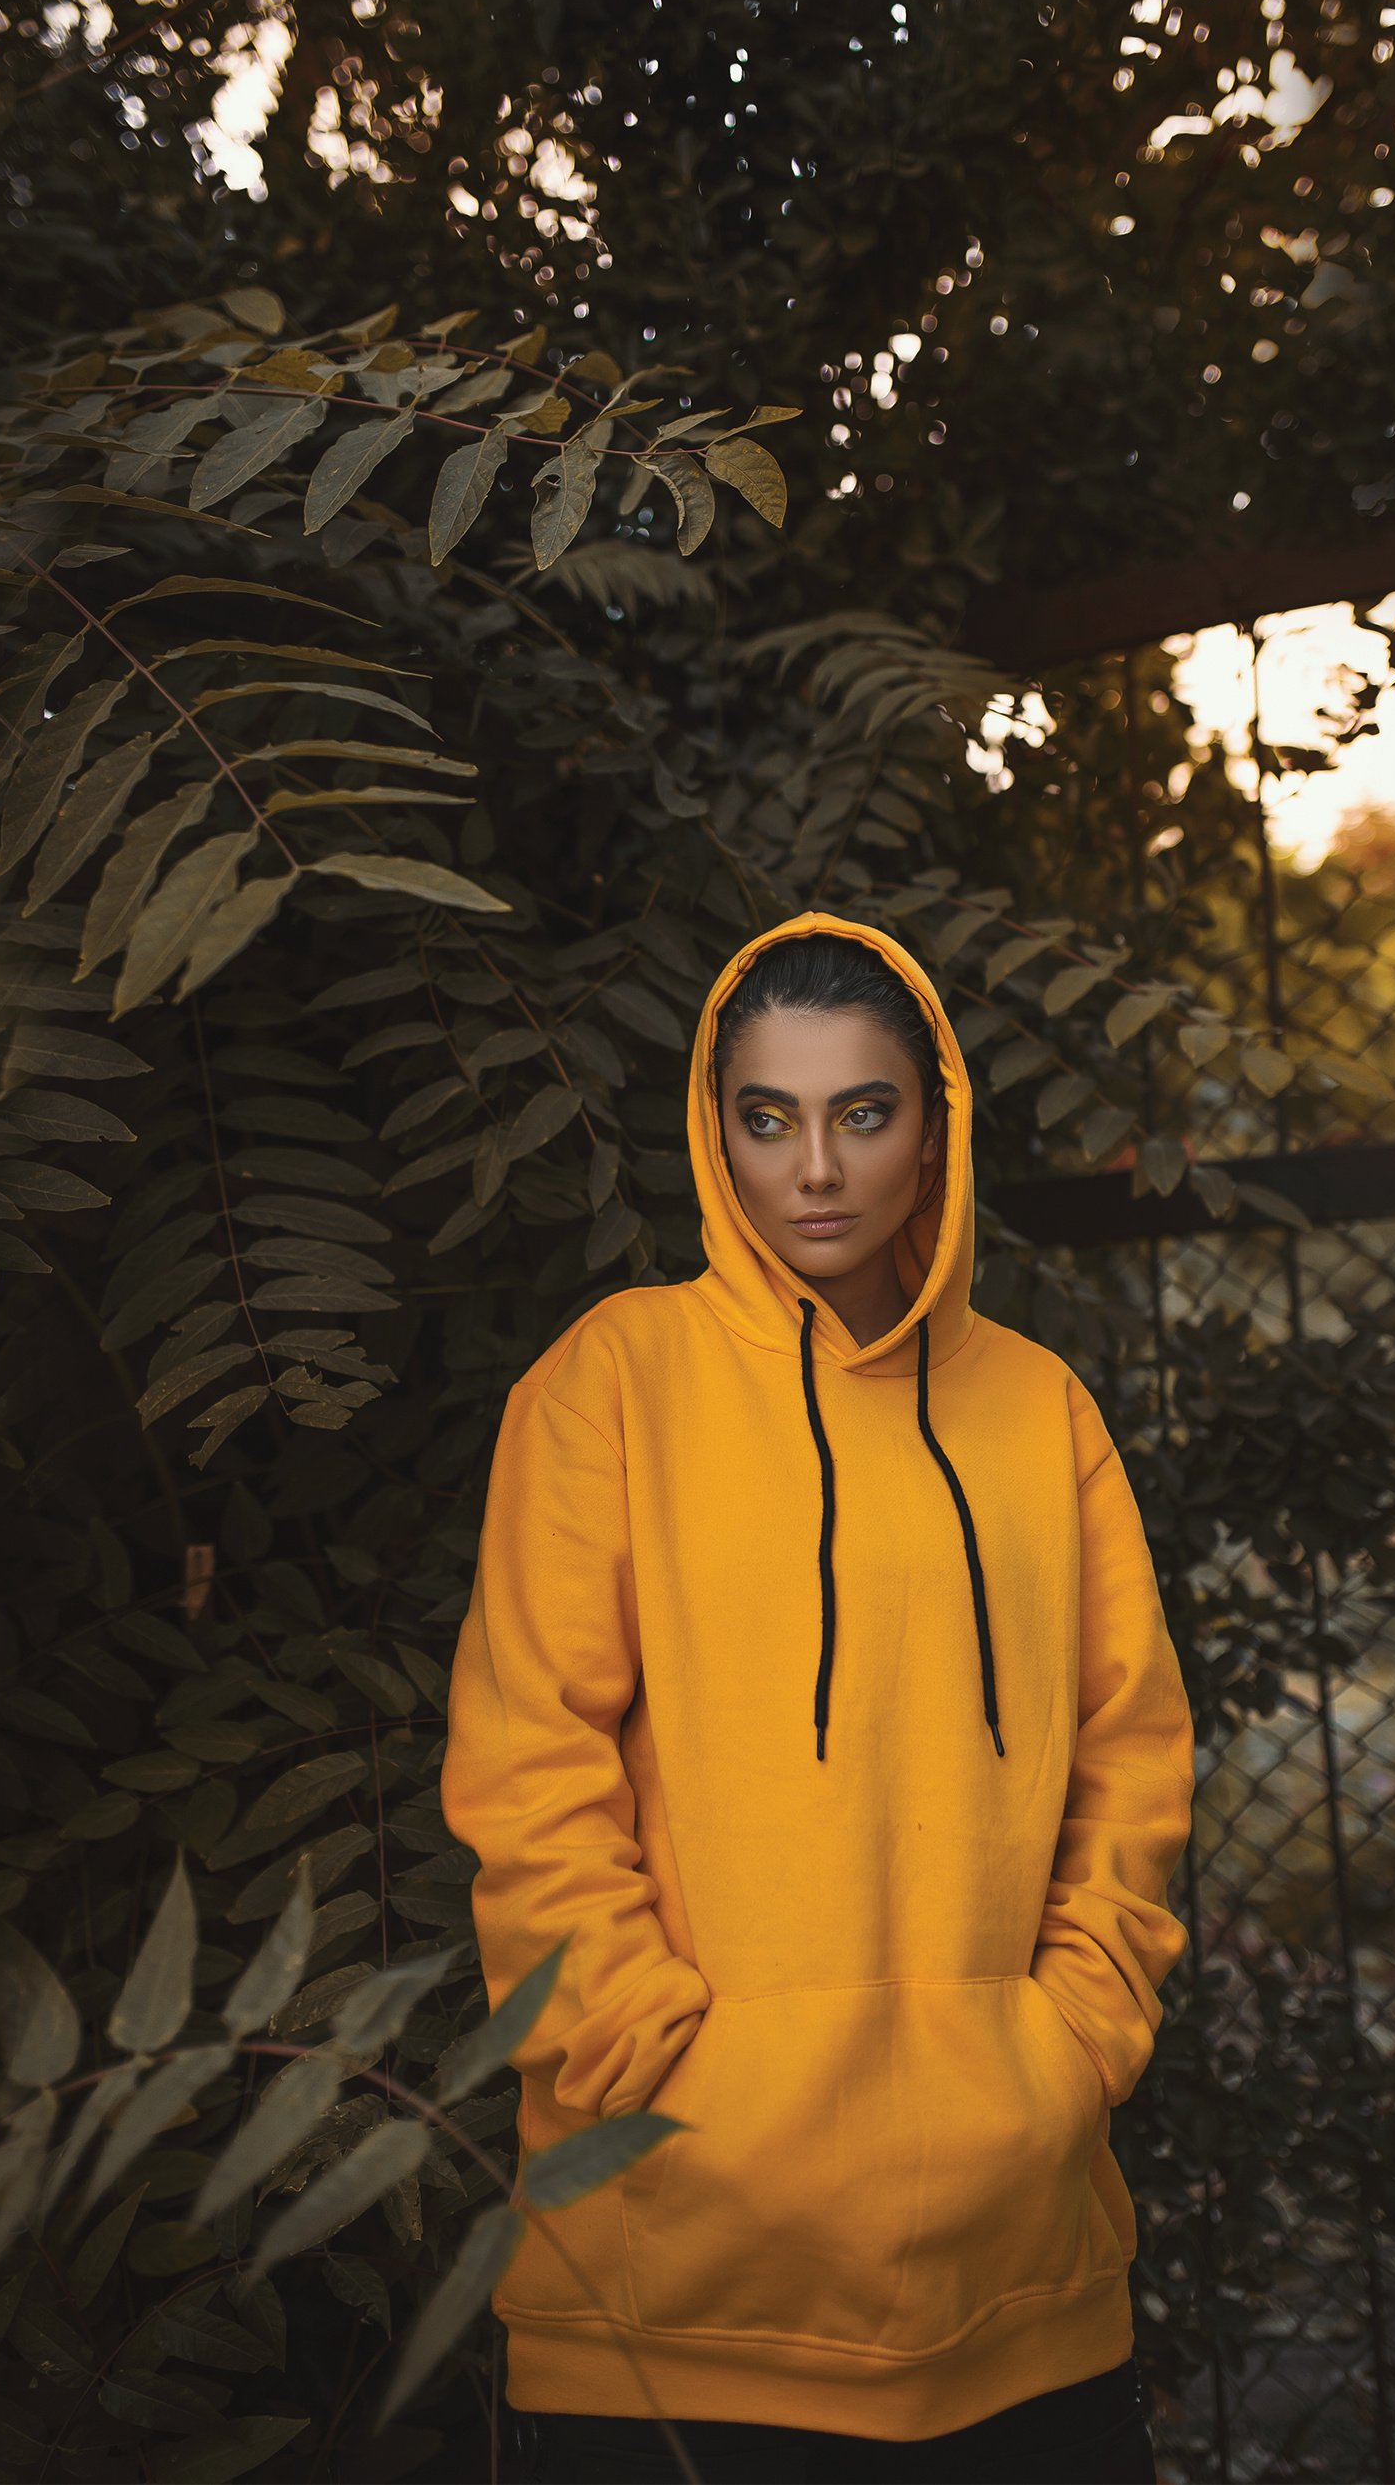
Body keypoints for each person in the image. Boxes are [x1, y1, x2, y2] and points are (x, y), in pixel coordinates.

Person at [443, 913, 1195, 2484]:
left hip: (1026, 2273)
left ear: (936, 1129)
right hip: (678, 2277)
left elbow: (1133, 1752)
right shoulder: (611, 1383)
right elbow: (529, 1770)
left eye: (865, 1111)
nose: (818, 1168)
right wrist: (655, 2057)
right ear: (715, 1138)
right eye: (766, 1118)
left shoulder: (1038, 1409)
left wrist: (1072, 2036)